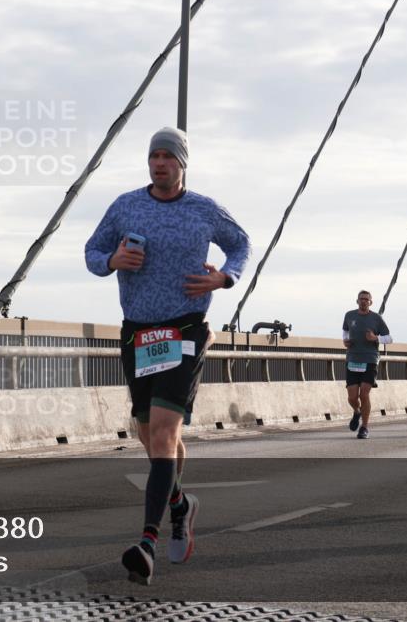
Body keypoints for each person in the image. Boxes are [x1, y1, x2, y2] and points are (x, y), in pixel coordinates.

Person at [85, 127, 250, 585]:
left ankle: (147, 543)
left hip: (185, 329)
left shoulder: (204, 208)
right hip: (138, 332)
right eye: (154, 156)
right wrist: (112, 261)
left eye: (168, 157)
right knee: (146, 431)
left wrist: (225, 279)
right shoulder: (124, 205)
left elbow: (240, 245)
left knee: (162, 431)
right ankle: (181, 505)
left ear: (182, 164)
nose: (159, 163)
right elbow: (92, 252)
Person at [341, 290, 392, 440]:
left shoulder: (376, 318)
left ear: (371, 302)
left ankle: (364, 427)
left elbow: (389, 338)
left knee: (364, 394)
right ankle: (357, 412)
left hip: (370, 359)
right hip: (352, 358)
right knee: (352, 397)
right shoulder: (349, 315)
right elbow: (345, 330)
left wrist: (375, 338)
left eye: (366, 299)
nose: (363, 301)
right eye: (361, 299)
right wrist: (345, 341)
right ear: (357, 301)